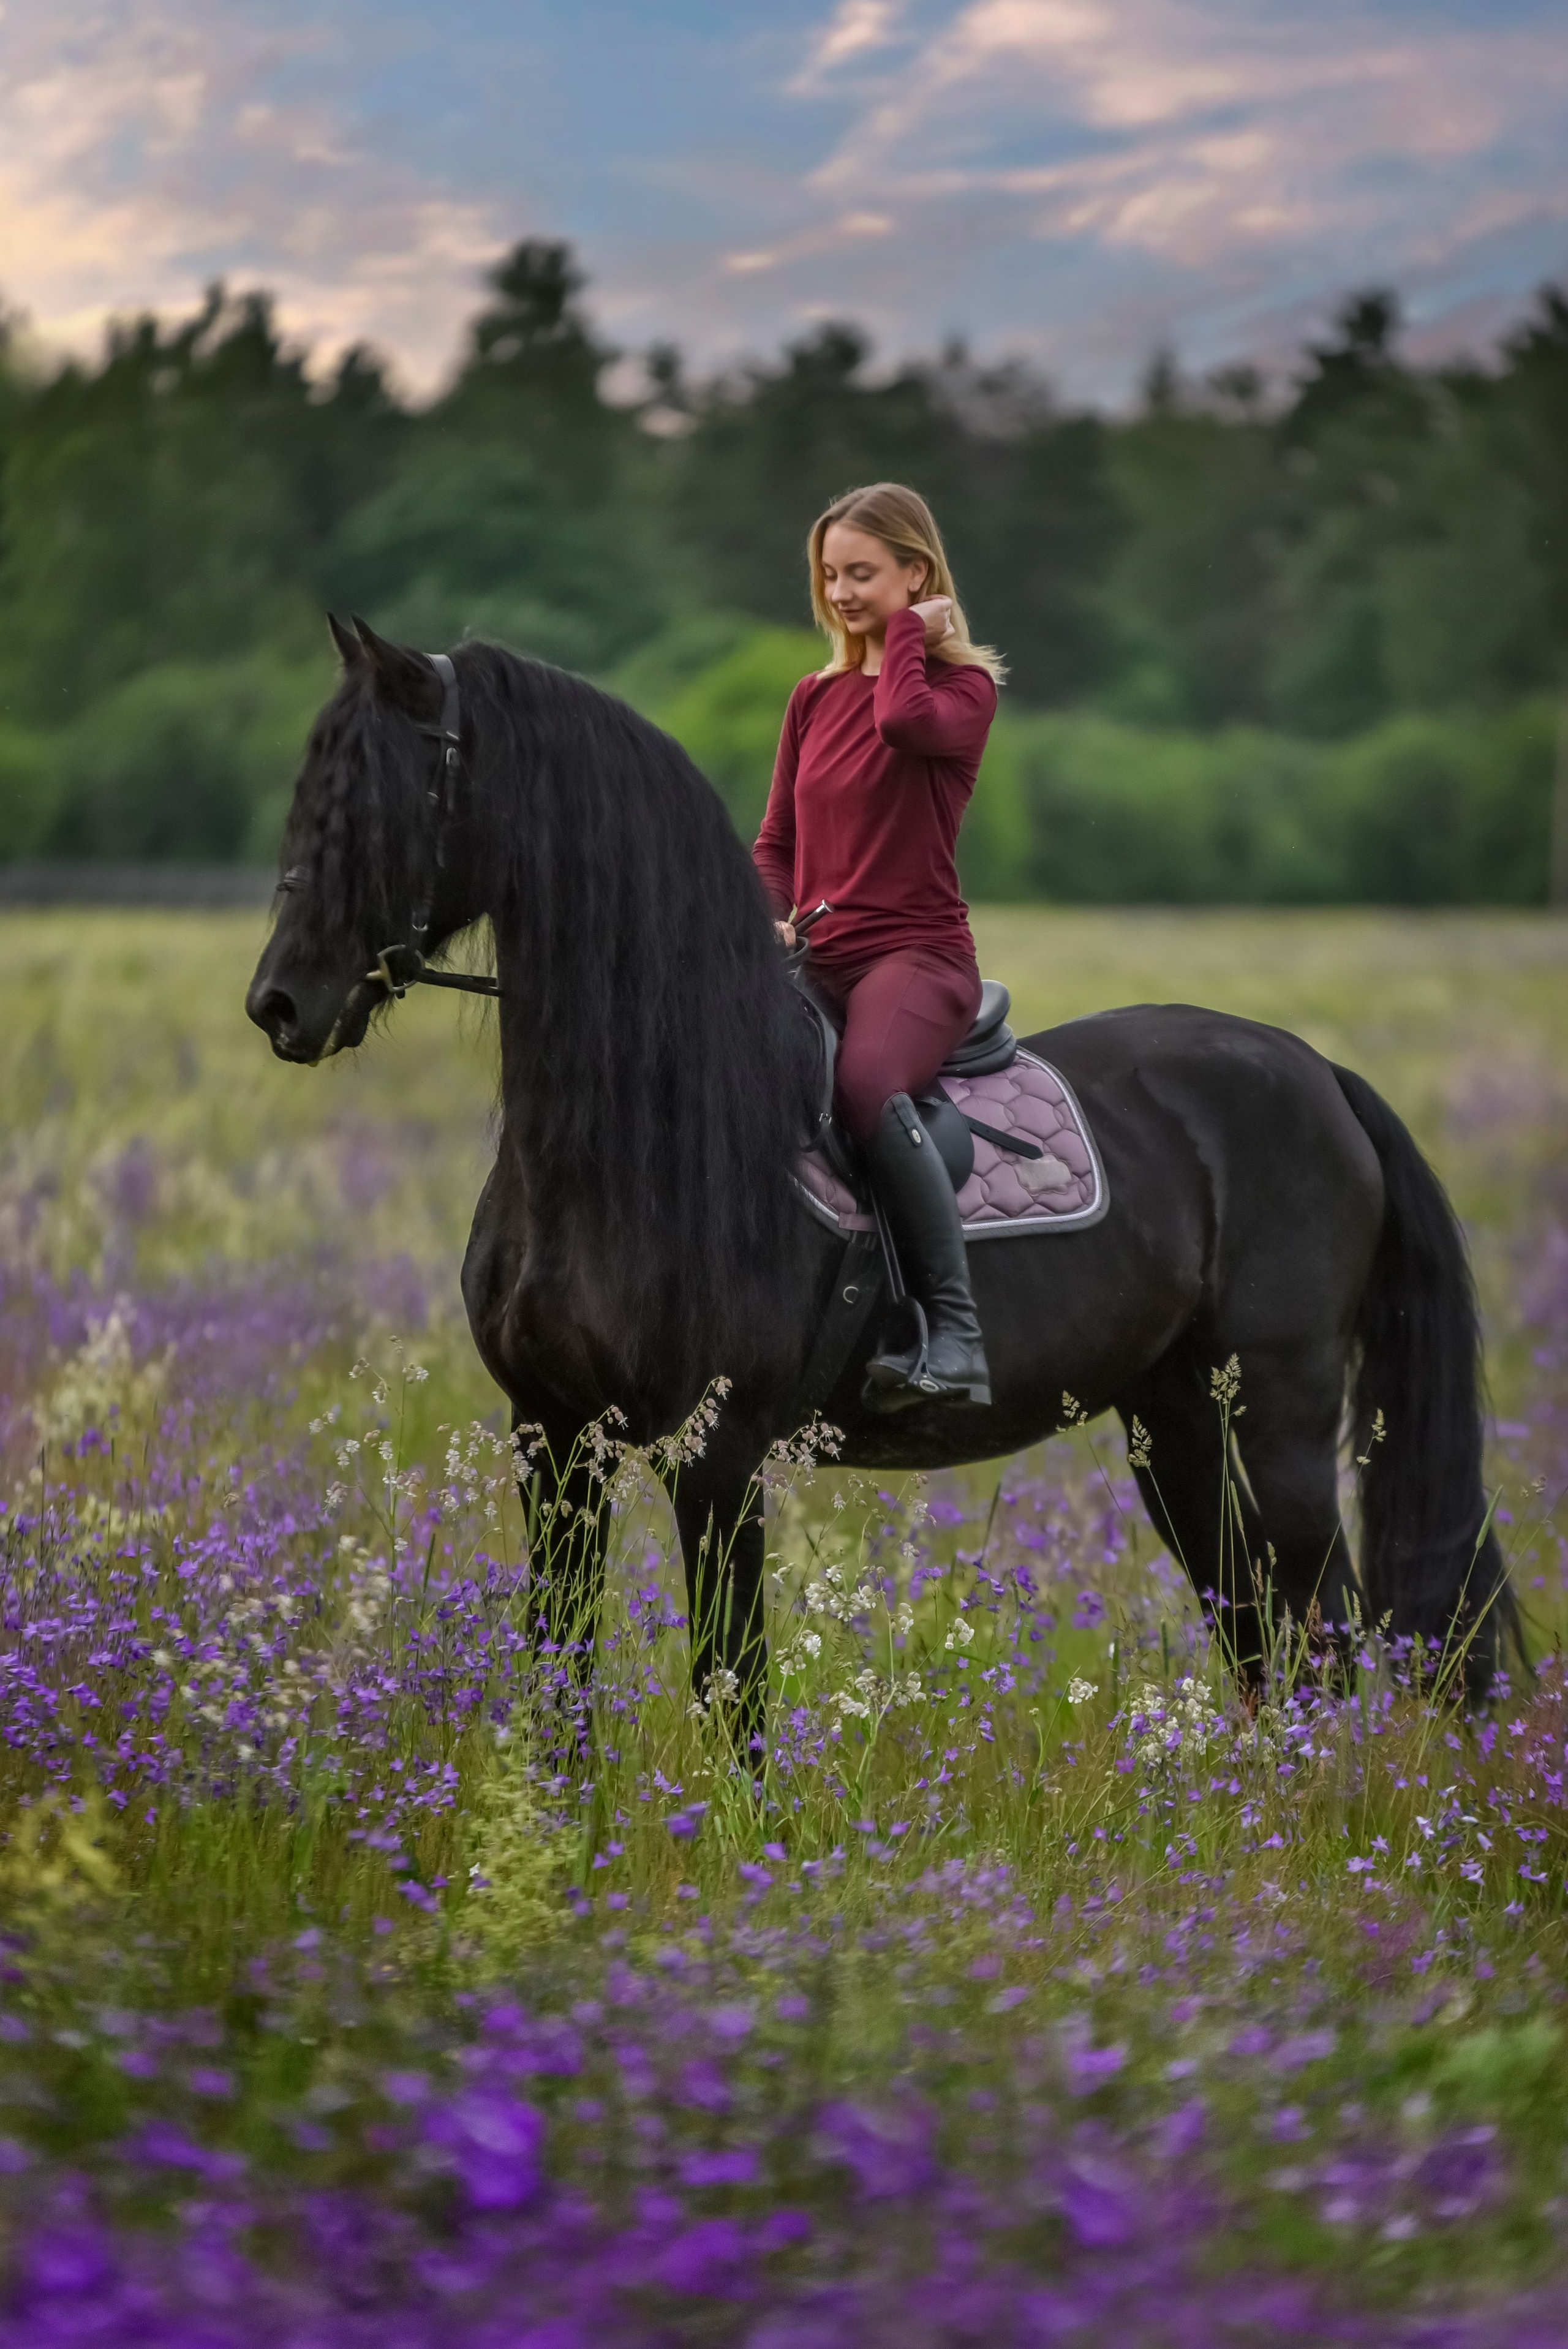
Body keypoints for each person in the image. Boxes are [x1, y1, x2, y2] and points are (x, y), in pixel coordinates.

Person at [753, 481, 1004, 1411]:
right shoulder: (811, 698)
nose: (842, 593)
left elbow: (902, 722)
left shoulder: (961, 693)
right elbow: (776, 841)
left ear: (918, 573)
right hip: (816, 957)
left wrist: (910, 637)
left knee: (865, 1087)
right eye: (830, 574)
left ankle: (954, 1334)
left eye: (863, 573)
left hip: (918, 958)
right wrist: (767, 914)